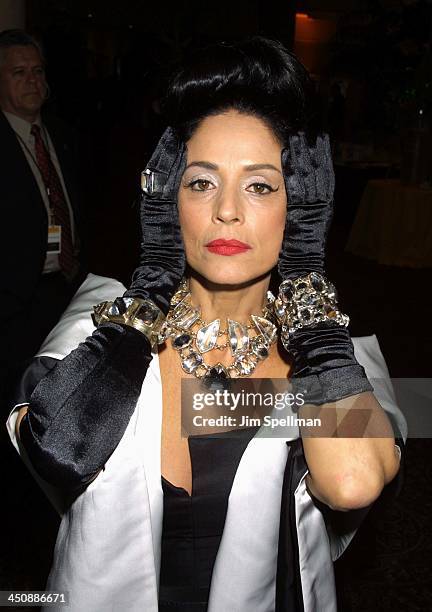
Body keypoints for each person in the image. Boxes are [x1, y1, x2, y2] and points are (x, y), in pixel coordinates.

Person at [7, 37, 405, 611]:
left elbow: (351, 483)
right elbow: (61, 446)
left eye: (261, 186)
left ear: (302, 208)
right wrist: (149, 292)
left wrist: (305, 287)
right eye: (201, 182)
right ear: (169, 200)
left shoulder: (331, 355)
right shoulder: (99, 320)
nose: (227, 210)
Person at [0, 29, 85, 403]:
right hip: (11, 305)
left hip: (64, 292)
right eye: (19, 73)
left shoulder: (62, 135)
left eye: (37, 71)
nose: (33, 81)